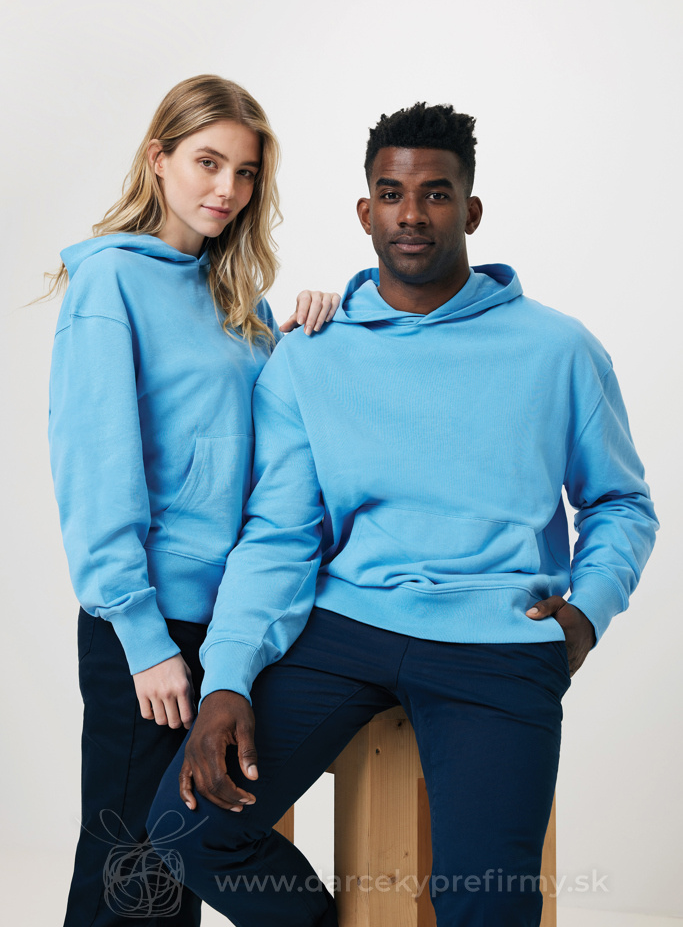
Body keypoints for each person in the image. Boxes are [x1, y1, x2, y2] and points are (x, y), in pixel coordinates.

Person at [148, 102, 658, 926]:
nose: (411, 214)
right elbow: (279, 535)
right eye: (391, 194)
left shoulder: (558, 349)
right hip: (343, 627)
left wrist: (587, 612)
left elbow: (620, 502)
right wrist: (229, 677)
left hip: (496, 638)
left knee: (484, 902)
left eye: (436, 194)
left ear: (471, 210)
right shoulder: (310, 356)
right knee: (187, 831)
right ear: (365, 211)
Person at [47, 73, 341, 927]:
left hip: (228, 627)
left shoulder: (234, 296)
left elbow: (264, 445)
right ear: (159, 159)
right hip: (150, 627)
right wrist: (143, 639)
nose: (227, 189)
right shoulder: (110, 282)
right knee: (129, 881)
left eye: (245, 173)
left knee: (180, 869)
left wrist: (305, 334)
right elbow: (95, 468)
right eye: (208, 163)